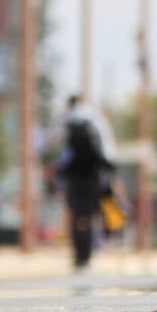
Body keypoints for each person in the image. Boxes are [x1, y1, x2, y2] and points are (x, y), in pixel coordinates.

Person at [55, 95, 115, 271]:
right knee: (89, 216)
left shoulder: (67, 121)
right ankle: (87, 253)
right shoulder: (95, 118)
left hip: (74, 178)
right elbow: (106, 148)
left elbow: (60, 150)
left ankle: (78, 254)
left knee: (76, 216)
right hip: (92, 177)